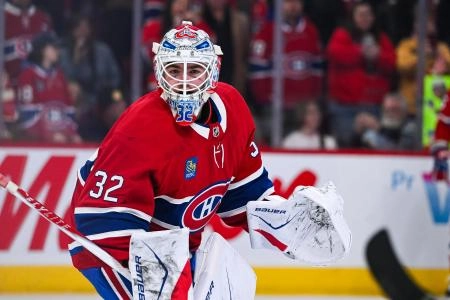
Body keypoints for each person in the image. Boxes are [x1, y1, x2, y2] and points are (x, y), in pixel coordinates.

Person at [65, 21, 351, 298]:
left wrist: (288, 221)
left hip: (175, 245)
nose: (185, 81)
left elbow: (243, 197)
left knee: (233, 288)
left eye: (196, 70)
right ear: (159, 72)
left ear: (213, 72)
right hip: (110, 246)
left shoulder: (234, 110)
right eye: (175, 70)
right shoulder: (140, 127)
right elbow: (99, 220)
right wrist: (156, 275)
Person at [326, 0, 396, 148]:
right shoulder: (342, 35)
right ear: (353, 17)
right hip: (345, 107)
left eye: (368, 14)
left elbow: (392, 63)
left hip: (374, 106)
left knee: (376, 146)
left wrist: (378, 56)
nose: (365, 18)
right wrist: (360, 52)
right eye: (361, 14)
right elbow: (334, 53)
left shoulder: (381, 38)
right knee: (346, 144)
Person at [59, 15, 124, 142]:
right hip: (78, 97)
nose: (83, 32)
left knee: (119, 100)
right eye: (79, 28)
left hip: (104, 95)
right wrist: (76, 58)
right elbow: (65, 77)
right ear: (72, 30)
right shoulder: (64, 51)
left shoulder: (102, 50)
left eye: (85, 27)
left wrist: (111, 94)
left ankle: (119, 142)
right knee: (74, 90)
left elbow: (116, 78)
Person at [16, 33, 81, 143]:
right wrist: (49, 131)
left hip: (60, 127)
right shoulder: (28, 75)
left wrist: (70, 131)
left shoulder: (59, 75)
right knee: (58, 139)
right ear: (43, 50)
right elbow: (27, 114)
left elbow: (68, 108)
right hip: (38, 131)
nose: (58, 51)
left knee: (76, 140)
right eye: (54, 47)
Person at [4, 0, 53, 85]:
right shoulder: (3, 16)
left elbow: (52, 55)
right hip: (8, 85)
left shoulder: (43, 18)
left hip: (39, 85)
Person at [350, 93, 418, 150]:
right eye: (388, 109)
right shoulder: (378, 120)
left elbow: (401, 146)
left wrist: (379, 128)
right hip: (371, 160)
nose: (391, 113)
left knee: (371, 135)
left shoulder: (410, 125)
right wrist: (358, 132)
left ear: (404, 110)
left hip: (397, 159)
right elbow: (352, 147)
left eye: (395, 109)